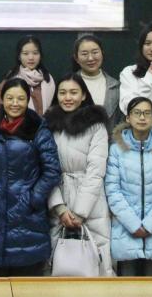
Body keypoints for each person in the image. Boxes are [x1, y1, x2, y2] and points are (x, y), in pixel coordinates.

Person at [0, 78, 62, 276]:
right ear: (2, 99)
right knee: (0, 282)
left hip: (28, 214)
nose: (15, 103)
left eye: (21, 98)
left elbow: (52, 170)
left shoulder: (38, 128)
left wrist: (33, 198)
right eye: (10, 98)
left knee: (28, 282)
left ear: (28, 100)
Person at [43, 75, 113, 276]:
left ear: (83, 95)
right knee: (58, 263)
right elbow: (46, 168)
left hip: (91, 203)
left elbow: (96, 170)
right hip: (58, 199)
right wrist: (59, 208)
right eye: (63, 93)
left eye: (73, 93)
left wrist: (80, 212)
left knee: (95, 261)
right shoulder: (49, 125)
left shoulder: (96, 125)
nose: (68, 98)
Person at [105, 97, 152, 277]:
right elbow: (112, 190)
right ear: (128, 118)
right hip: (126, 232)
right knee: (127, 289)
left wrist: (150, 224)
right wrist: (133, 224)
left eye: (147, 113)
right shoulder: (116, 149)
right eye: (137, 113)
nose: (142, 117)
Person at [0, 35, 56, 117]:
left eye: (35, 53)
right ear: (19, 57)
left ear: (40, 55)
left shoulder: (48, 80)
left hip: (44, 124)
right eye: (25, 53)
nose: (31, 58)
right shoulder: (11, 79)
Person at [71, 35, 121, 126]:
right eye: (84, 54)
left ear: (102, 53)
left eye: (95, 52)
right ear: (76, 58)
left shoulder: (116, 86)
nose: (90, 58)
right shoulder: (67, 85)